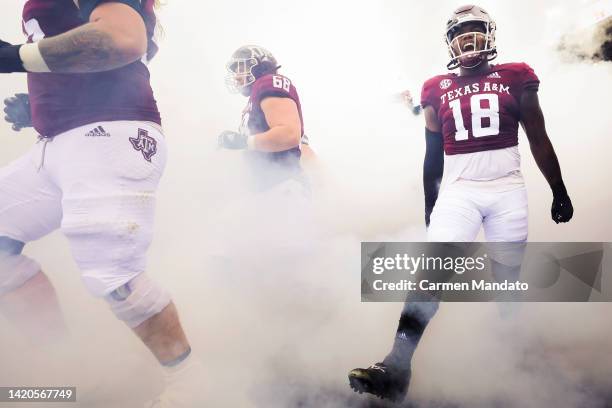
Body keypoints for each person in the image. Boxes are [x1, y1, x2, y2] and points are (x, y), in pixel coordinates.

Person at [348, 4, 574, 402]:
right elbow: (432, 154)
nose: (468, 38)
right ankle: (396, 365)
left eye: (475, 30)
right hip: (460, 190)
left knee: (507, 278)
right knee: (433, 270)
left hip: (507, 190)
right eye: (460, 32)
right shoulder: (436, 86)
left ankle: (513, 349)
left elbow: (538, 136)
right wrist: (430, 203)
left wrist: (558, 188)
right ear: (449, 41)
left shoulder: (516, 74)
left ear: (490, 34)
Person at [0, 1, 203, 406]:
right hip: (62, 140)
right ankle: (64, 369)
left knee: (113, 273)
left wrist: (16, 57)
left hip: (108, 134)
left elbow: (122, 39)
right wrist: (44, 104)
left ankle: (192, 386)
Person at [218, 45, 308, 194]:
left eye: (240, 68)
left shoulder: (268, 82)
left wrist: (243, 142)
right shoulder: (255, 100)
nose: (236, 76)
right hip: (270, 188)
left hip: (282, 186)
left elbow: (289, 134)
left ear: (258, 67)